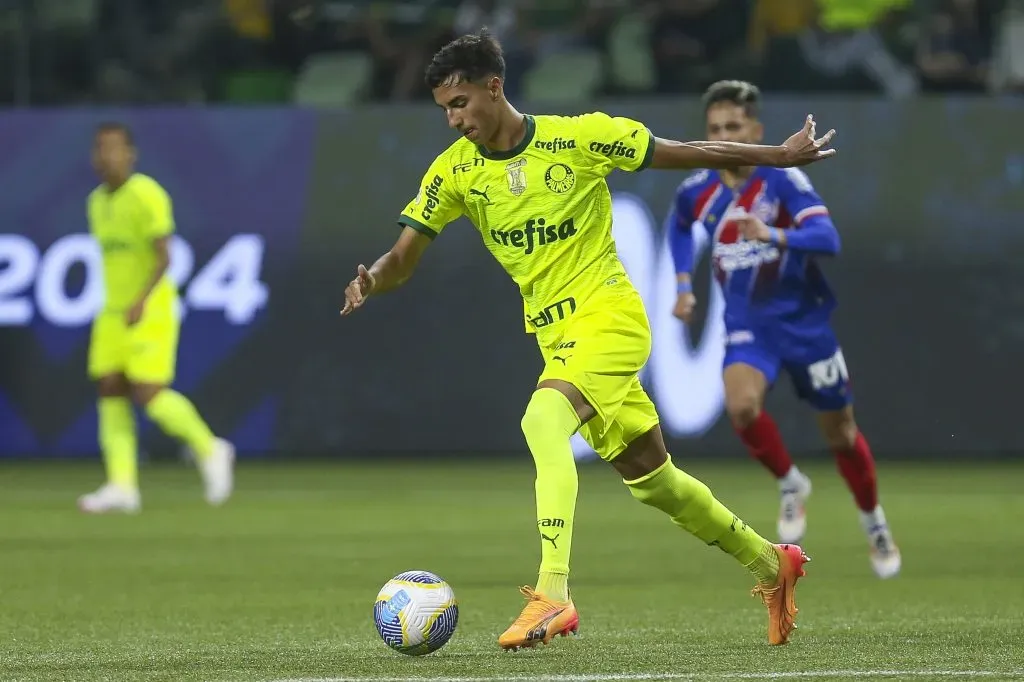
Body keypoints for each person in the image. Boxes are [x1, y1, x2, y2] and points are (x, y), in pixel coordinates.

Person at [341, 31, 836, 649]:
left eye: (460, 103)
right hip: (557, 337)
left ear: (494, 87)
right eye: (445, 108)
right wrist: (374, 280)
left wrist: (776, 156)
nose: (454, 120)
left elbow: (684, 150)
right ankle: (771, 562)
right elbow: (402, 257)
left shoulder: (579, 139)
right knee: (654, 479)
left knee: (542, 420)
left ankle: (553, 594)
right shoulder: (455, 172)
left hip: (609, 318)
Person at [667, 80, 900, 579]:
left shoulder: (783, 181)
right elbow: (680, 225)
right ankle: (791, 482)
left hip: (803, 324)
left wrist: (771, 233)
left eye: (733, 126)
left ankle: (873, 521)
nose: (724, 137)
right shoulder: (698, 189)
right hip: (747, 324)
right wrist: (684, 283)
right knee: (742, 407)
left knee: (841, 435)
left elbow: (827, 238)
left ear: (756, 130)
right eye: (714, 129)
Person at [79, 122, 235, 514]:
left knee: (148, 393)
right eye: (100, 148)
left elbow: (165, 256)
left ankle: (210, 448)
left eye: (114, 148)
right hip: (112, 311)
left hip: (149, 308)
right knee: (110, 388)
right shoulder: (95, 202)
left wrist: (141, 299)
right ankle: (122, 486)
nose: (106, 156)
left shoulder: (147, 194)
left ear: (130, 155)